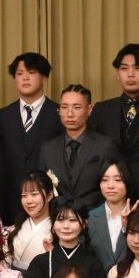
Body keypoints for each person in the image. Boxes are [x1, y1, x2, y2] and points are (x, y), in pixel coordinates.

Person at [0, 52, 64, 220]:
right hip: (11, 204)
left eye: (31, 72)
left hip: (49, 204)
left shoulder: (59, 114)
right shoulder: (3, 116)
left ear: (44, 78)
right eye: (19, 73)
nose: (25, 78)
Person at [18, 198, 107, 278]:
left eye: (72, 220)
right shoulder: (40, 262)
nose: (66, 226)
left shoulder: (93, 264)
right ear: (53, 224)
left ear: (84, 223)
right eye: (60, 220)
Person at [39, 84, 121, 213]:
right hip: (59, 219)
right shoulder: (48, 149)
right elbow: (43, 190)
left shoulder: (105, 146)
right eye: (64, 107)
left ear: (89, 109)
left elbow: (117, 187)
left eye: (76, 107)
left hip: (96, 218)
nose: (69, 113)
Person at [87, 159, 135, 272]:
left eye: (118, 180)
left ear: (127, 182)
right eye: (105, 180)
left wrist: (128, 227)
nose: (110, 186)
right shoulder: (90, 217)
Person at [6, 171, 54, 272]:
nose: (28, 201)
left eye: (34, 194)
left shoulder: (56, 230)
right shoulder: (15, 229)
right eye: (24, 196)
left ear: (49, 195)